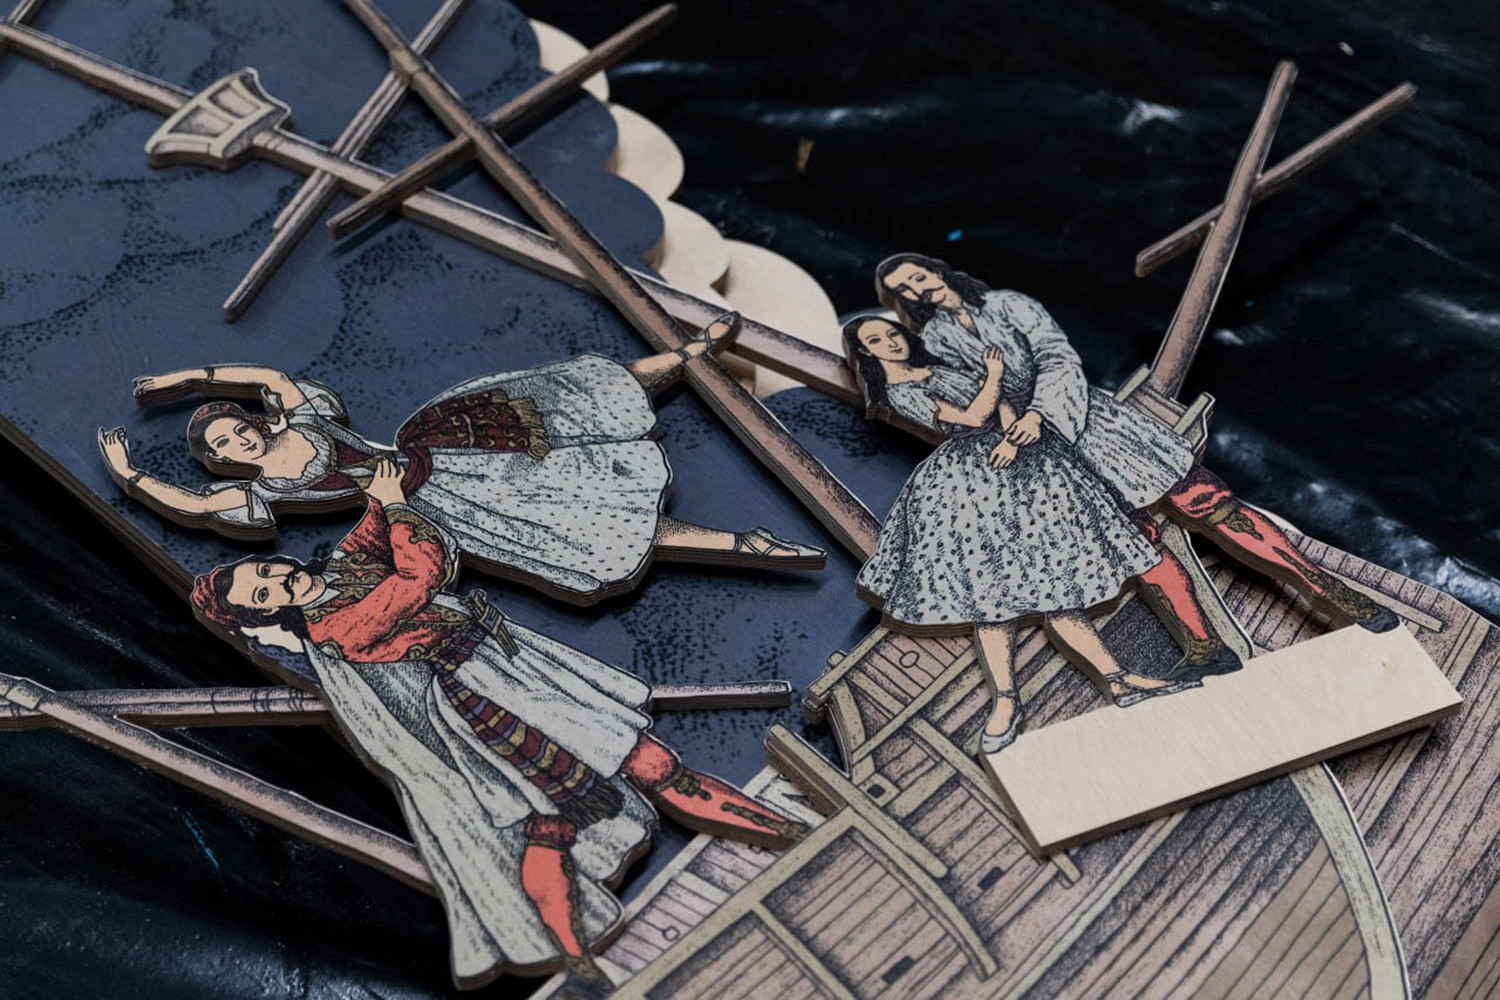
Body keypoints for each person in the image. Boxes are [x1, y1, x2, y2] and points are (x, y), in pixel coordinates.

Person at [191, 457, 809, 998]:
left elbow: (379, 518)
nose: (276, 581)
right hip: (483, 699)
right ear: (269, 615)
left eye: (263, 572)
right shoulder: (334, 631)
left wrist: (383, 486)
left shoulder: (346, 565)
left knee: (652, 765)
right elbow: (418, 577)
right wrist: (395, 505)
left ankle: (788, 832)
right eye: (263, 595)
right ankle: (577, 960)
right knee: (550, 821)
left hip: (520, 667)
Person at [874, 253, 1398, 662]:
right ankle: (1204, 646)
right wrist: (1012, 426)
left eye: (917, 276)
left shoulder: (1009, 303)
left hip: (1090, 421)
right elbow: (982, 397)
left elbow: (1057, 358)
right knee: (1132, 542)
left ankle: (1332, 591)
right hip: (1046, 455)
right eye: (904, 291)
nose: (917, 290)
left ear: (935, 270)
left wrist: (1038, 413)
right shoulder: (937, 337)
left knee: (1208, 505)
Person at [99, 314, 823, 606]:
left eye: (235, 429)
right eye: (224, 448)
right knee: (581, 525)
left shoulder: (305, 415)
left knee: (559, 396)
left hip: (435, 444)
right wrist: (131, 477)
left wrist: (181, 382)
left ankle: (687, 355)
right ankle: (744, 545)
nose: (237, 443)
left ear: (250, 421)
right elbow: (191, 505)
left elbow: (261, 375)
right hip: (433, 504)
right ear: (224, 463)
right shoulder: (256, 498)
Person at [844, 316, 1197, 754]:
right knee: (992, 593)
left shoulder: (937, 368)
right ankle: (1006, 701)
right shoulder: (896, 392)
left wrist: (1013, 437)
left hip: (1021, 465)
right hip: (969, 485)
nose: (890, 342)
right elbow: (971, 417)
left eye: (893, 333)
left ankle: (1118, 679)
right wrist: (993, 376)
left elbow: (1002, 406)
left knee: (1056, 582)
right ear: (864, 352)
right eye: (876, 340)